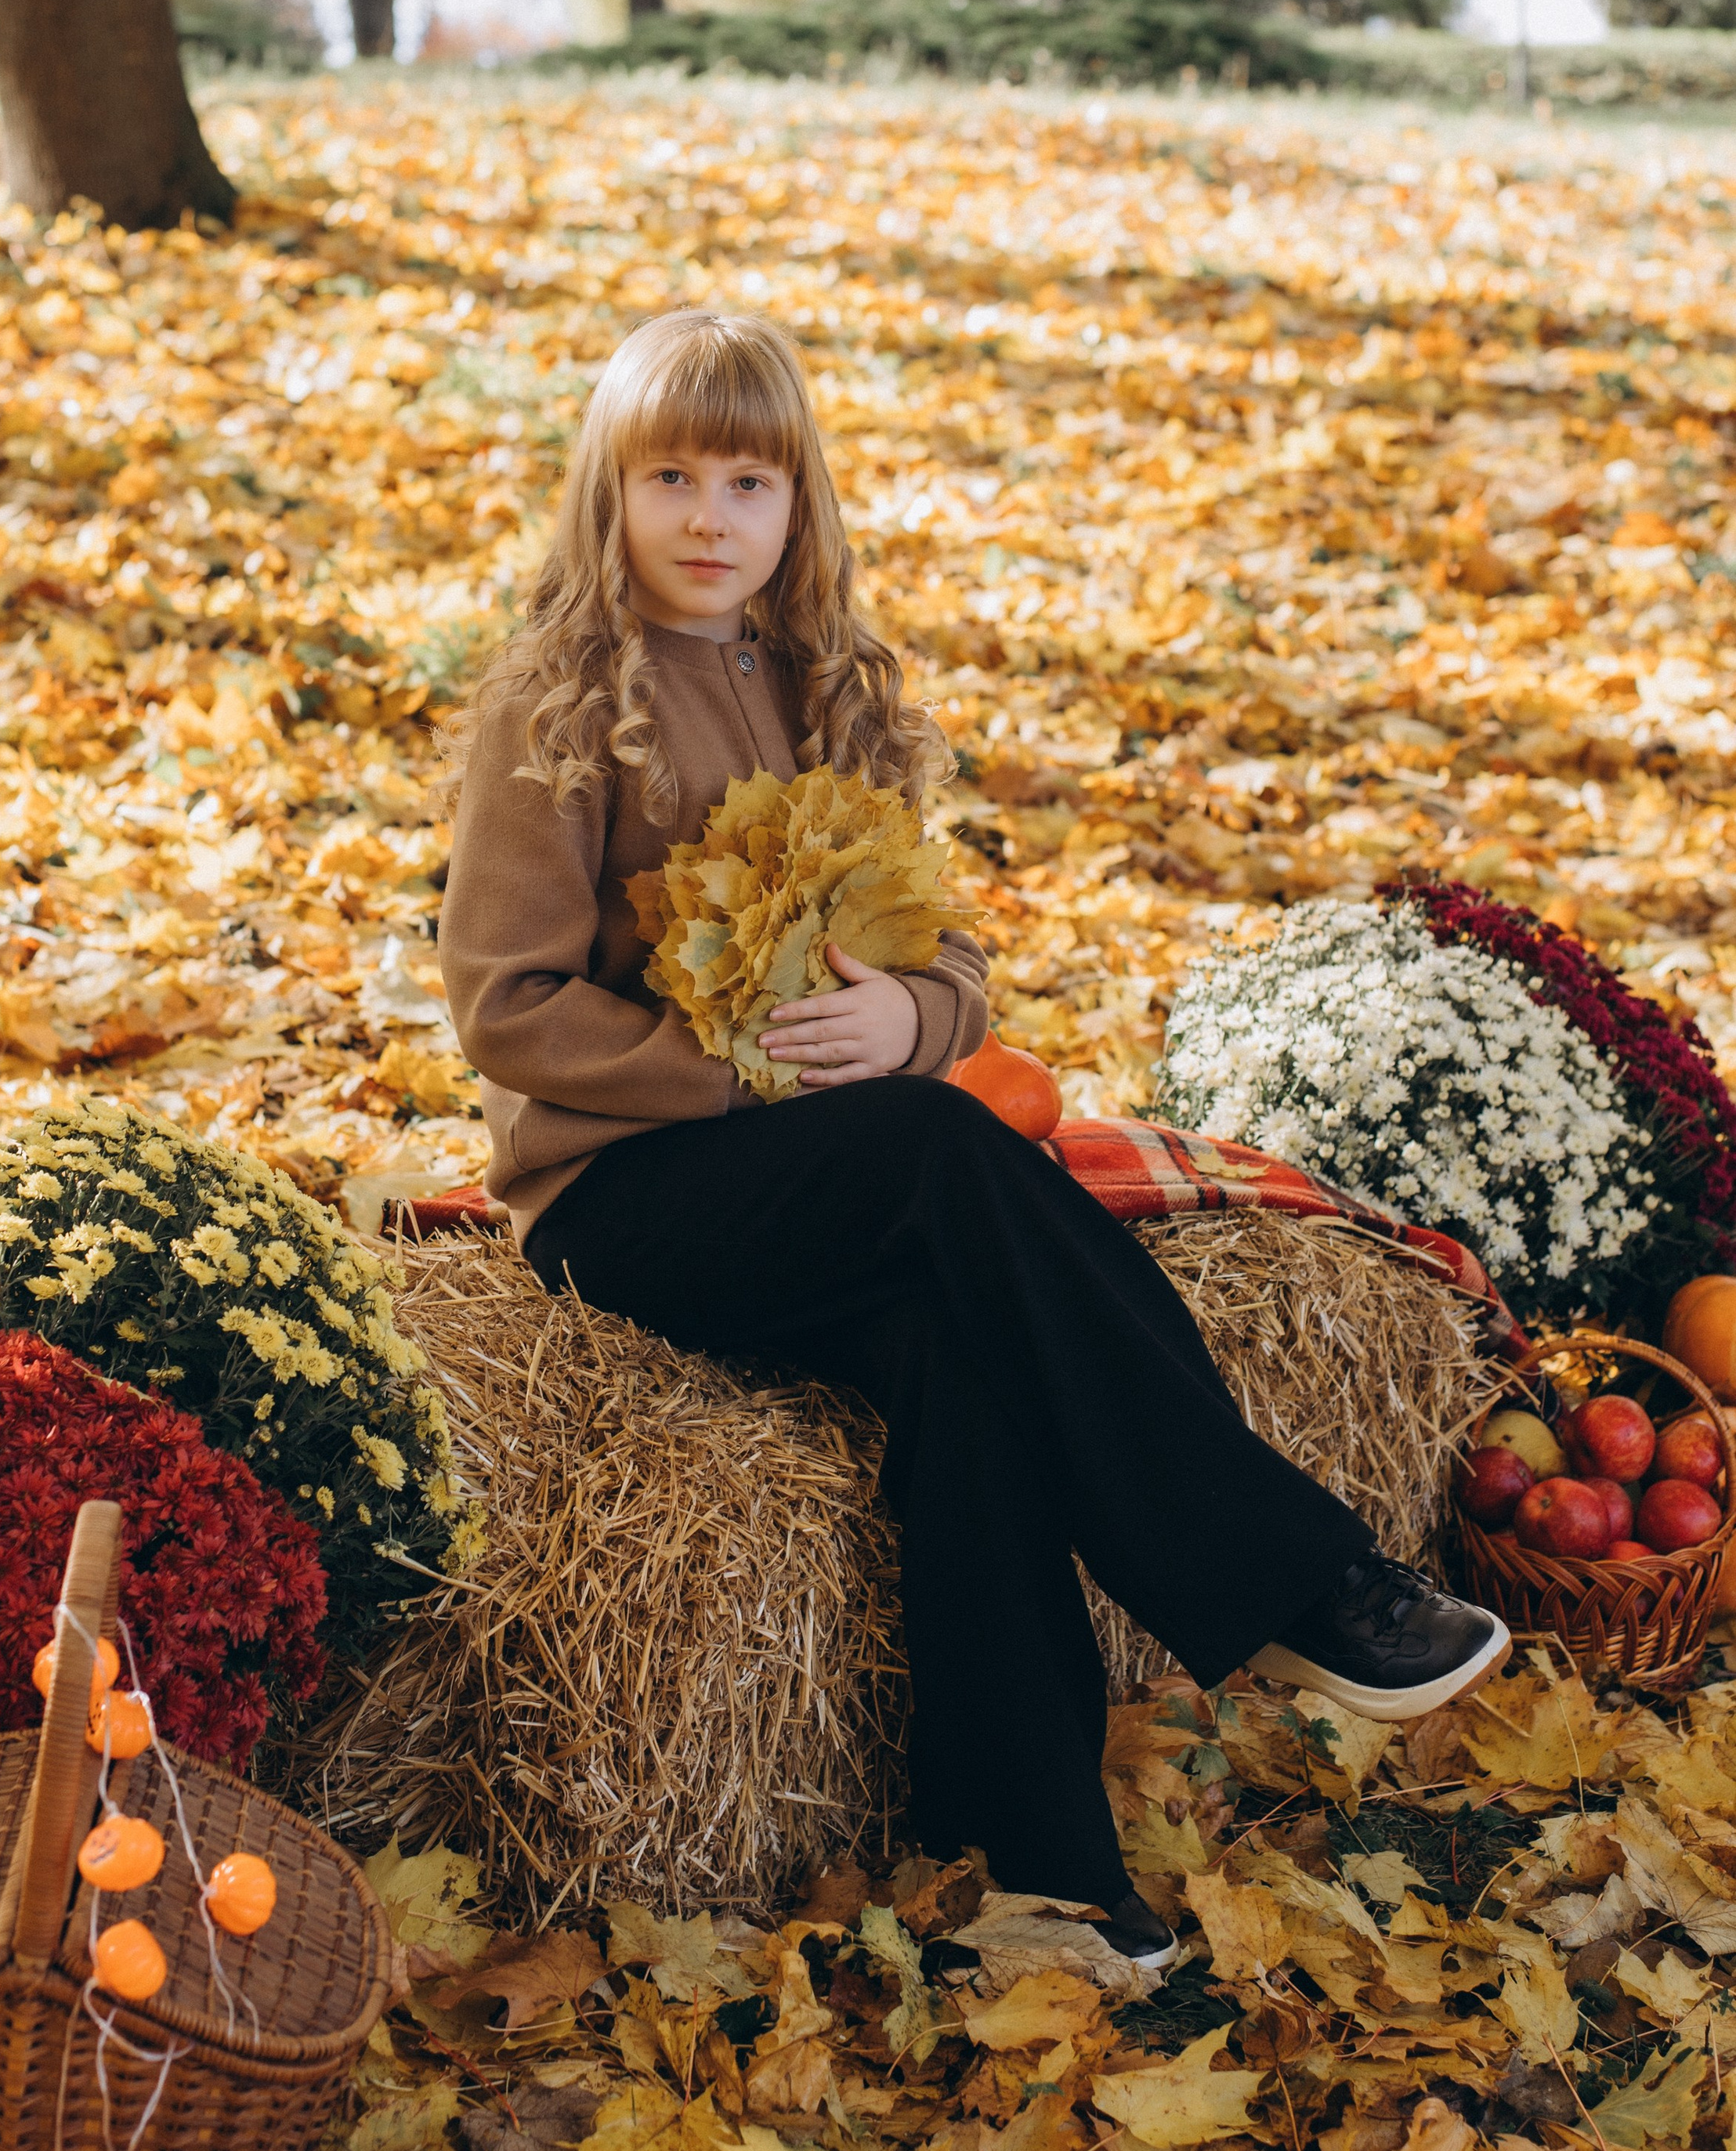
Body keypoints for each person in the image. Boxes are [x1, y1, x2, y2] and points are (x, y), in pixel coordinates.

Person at [438, 309, 1507, 1971]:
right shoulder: (557, 703)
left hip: (828, 1180)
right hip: (628, 1190)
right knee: (942, 1157)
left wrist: (908, 1026)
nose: (706, 513)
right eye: (667, 475)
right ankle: (1290, 1574)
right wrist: (742, 1078)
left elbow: (941, 955)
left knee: (966, 1358)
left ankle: (1036, 1872)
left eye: (746, 477)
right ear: (607, 489)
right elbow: (503, 1007)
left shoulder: (830, 688)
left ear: (798, 505)